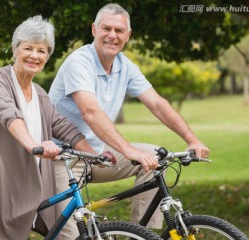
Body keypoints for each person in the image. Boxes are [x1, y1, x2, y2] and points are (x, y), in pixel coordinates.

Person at [48, 3, 210, 238]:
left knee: (157, 159)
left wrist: (192, 139)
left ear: (128, 35)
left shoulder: (125, 66)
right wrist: (128, 150)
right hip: (62, 160)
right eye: (106, 28)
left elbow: (157, 104)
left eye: (119, 31)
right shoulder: (79, 62)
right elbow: (90, 112)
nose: (112, 35)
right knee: (73, 236)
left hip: (98, 155)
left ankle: (142, 235)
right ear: (94, 30)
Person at [0, 15, 109, 240]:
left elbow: (63, 127)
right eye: (28, 48)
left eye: (42, 51)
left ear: (47, 57)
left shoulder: (41, 95)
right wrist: (34, 144)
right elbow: (8, 114)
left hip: (11, 194)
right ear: (15, 49)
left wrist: (94, 156)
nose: (34, 55)